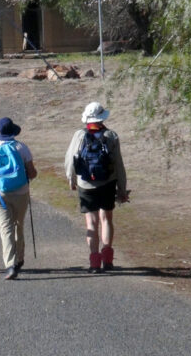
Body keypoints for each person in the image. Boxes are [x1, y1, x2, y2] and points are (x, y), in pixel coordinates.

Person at [64, 101, 129, 273]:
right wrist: (122, 189)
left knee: (91, 223)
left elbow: (70, 160)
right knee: (106, 219)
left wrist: (71, 179)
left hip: (85, 184)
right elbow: (119, 164)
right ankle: (107, 259)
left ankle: (94, 263)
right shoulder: (111, 136)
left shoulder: (79, 135)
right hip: (108, 183)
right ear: (101, 118)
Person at [0, 117, 37, 280]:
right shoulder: (21, 147)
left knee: (6, 228)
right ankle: (19, 259)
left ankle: (10, 265)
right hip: (21, 193)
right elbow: (32, 172)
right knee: (18, 224)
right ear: (13, 132)